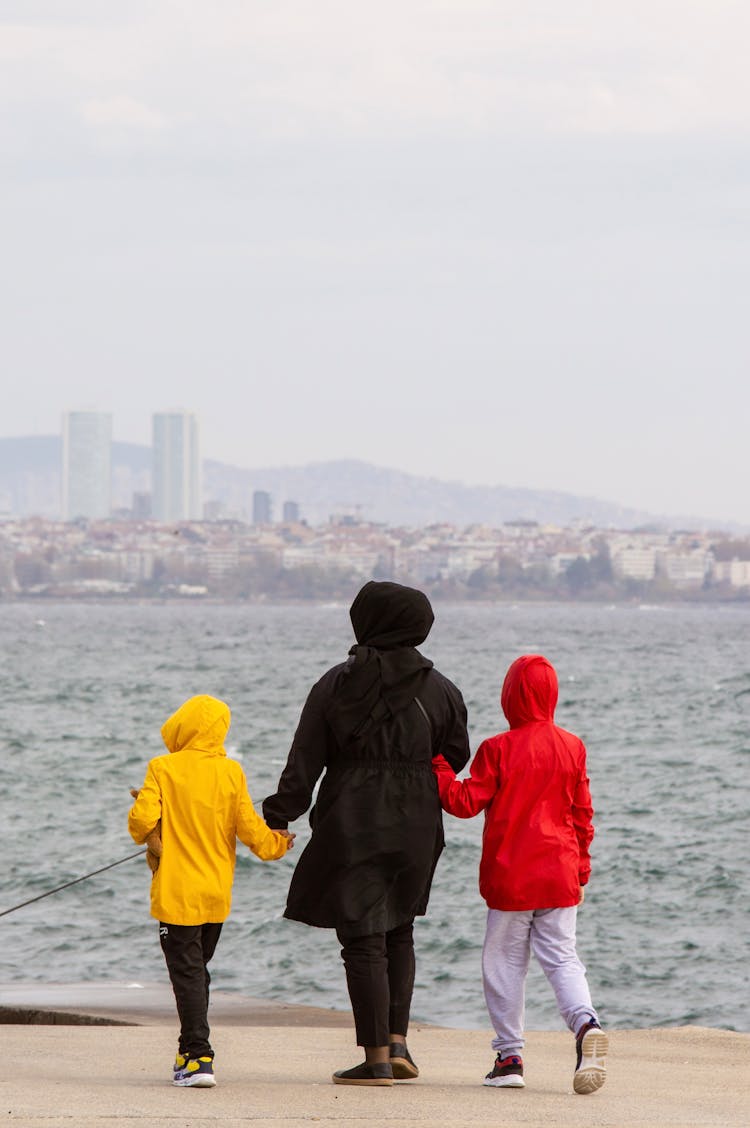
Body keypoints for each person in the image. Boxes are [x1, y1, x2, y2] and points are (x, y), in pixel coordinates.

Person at [262, 580, 470, 1086]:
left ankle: (375, 1057)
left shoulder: (335, 683)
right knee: (400, 928)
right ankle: (397, 1044)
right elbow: (458, 753)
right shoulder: (440, 687)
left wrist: (277, 814)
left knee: (361, 937)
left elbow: (304, 761)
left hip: (353, 816)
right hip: (419, 819)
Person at [432, 653, 608, 1095]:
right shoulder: (573, 746)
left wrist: (435, 762)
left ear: (510, 696)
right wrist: (581, 870)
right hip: (561, 872)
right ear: (552, 695)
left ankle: (509, 1058)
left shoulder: (498, 748)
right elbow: (583, 815)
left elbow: (462, 801)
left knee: (504, 964)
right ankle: (586, 1025)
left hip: (512, 877)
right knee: (563, 958)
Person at [128, 694, 293, 1088]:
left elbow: (140, 824)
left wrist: (147, 810)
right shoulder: (231, 772)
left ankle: (200, 1058)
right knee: (196, 973)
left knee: (187, 976)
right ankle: (187, 1052)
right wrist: (279, 843)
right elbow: (251, 830)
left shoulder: (162, 767)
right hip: (215, 895)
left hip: (176, 892)